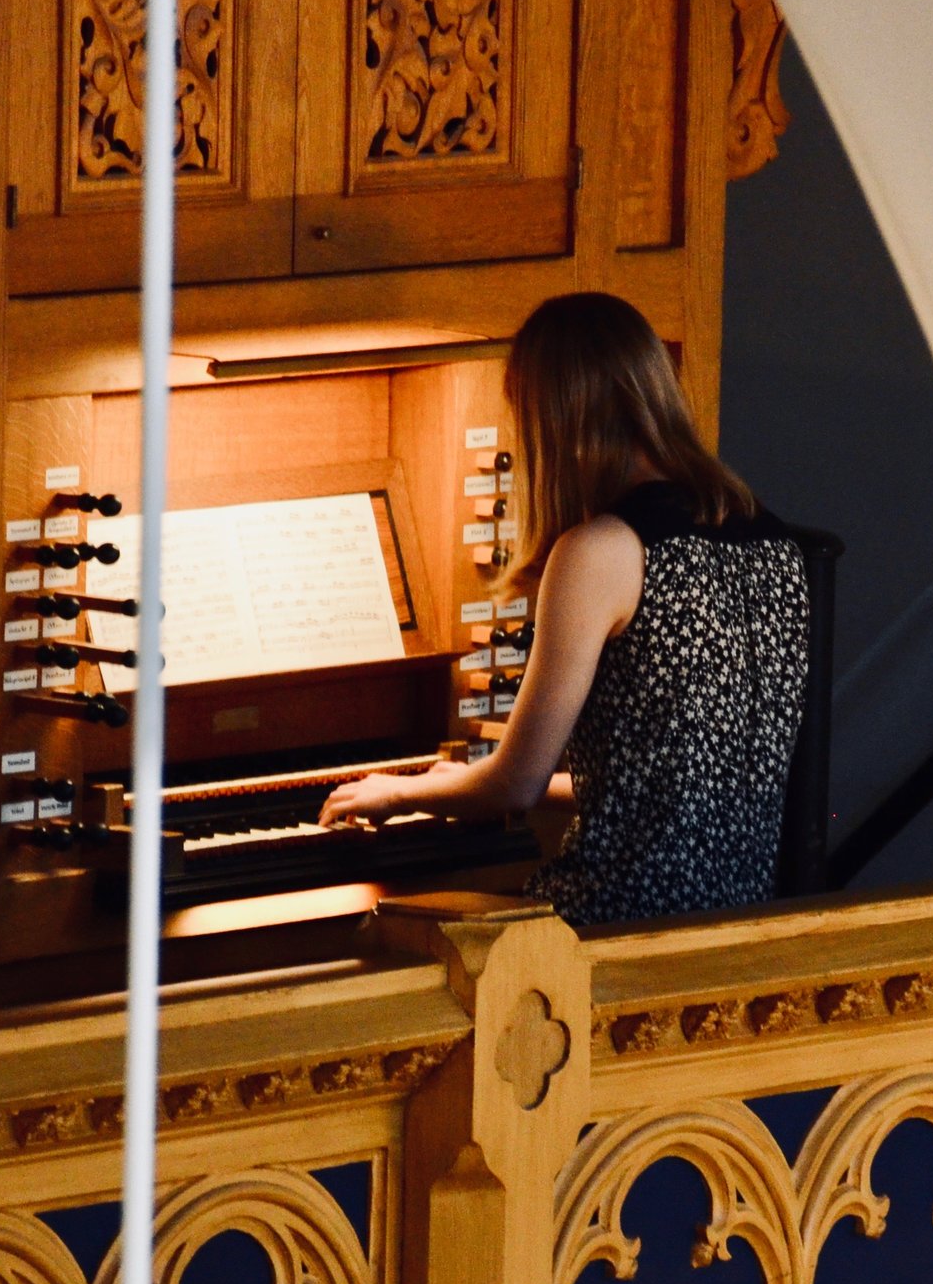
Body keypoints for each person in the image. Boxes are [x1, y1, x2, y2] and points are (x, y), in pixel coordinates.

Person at [319, 292, 810, 926]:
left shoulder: (603, 549)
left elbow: (513, 785)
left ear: (559, 417)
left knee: (382, 933)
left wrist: (403, 790)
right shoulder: (778, 548)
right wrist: (447, 781)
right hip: (731, 922)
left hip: (612, 922)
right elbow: (661, 780)